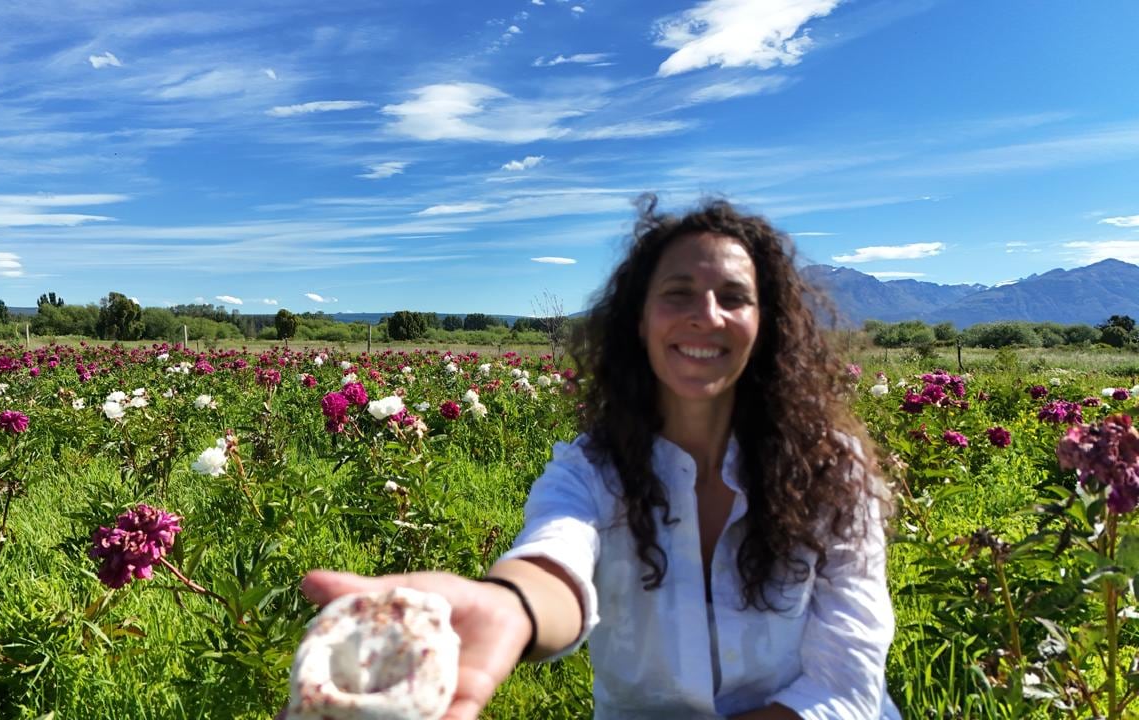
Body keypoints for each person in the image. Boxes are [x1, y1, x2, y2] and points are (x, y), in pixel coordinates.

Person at [297, 195, 900, 720]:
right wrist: (511, 607)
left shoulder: (830, 469)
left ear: (765, 324)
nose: (706, 314)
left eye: (734, 297)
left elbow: (846, 689)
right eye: (679, 293)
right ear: (639, 320)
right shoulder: (592, 472)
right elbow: (556, 557)